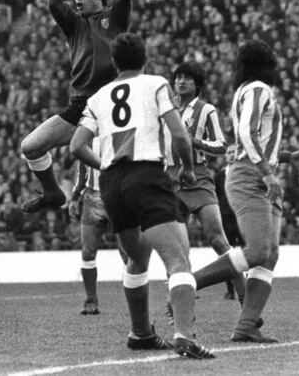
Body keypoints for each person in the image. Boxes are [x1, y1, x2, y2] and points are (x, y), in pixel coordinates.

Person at [70, 32, 214, 359]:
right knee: (178, 259)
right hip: (147, 175)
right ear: (144, 58)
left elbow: (76, 146)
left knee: (136, 259)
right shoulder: (155, 84)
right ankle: (183, 334)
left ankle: (140, 334)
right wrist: (188, 169)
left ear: (114, 62)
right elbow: (179, 133)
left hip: (111, 185)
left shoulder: (98, 97)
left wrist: (105, 165)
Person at [190, 40, 299, 343]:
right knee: (259, 250)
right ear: (267, 65)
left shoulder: (247, 90)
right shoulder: (259, 89)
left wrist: (285, 157)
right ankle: (188, 284)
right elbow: (247, 134)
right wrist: (267, 172)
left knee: (269, 255)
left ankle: (246, 325)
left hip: (259, 172)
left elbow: (252, 137)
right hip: (252, 176)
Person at [21, 0, 132, 213]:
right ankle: (53, 193)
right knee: (30, 146)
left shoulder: (115, 18)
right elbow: (54, 2)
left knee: (117, 200)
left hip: (111, 102)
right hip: (81, 104)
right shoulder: (74, 23)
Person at [165, 61, 247, 305]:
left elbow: (221, 146)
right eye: (178, 77)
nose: (180, 81)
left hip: (197, 177)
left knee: (217, 239)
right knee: (173, 247)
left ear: (197, 84)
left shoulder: (206, 110)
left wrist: (196, 142)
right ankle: (178, 302)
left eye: (187, 78)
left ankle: (245, 297)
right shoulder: (164, 109)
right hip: (168, 178)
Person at [69, 137, 127, 315]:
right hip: (92, 197)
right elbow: (82, 168)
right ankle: (91, 300)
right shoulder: (87, 134)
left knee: (128, 253)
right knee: (87, 252)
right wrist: (75, 196)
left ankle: (136, 300)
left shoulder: (122, 129)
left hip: (119, 196)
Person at [214, 144, 244, 300]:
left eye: (234, 152)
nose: (232, 155)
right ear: (225, 156)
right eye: (229, 152)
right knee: (227, 254)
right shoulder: (220, 176)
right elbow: (216, 198)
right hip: (226, 219)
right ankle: (230, 290)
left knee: (247, 252)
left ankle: (248, 287)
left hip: (243, 216)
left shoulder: (245, 173)